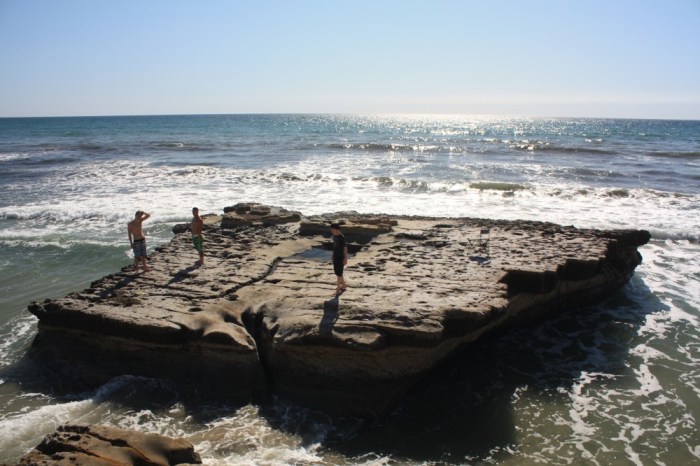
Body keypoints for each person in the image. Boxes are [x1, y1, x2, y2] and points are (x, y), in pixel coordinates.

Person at [330, 223, 348, 295]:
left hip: (341, 258)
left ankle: (338, 289)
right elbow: (334, 247)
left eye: (332, 230)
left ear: (337, 230)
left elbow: (345, 249)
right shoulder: (334, 236)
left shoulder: (341, 238)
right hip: (335, 257)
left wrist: (345, 258)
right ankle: (343, 285)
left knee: (339, 273)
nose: (331, 231)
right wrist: (332, 254)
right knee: (338, 272)